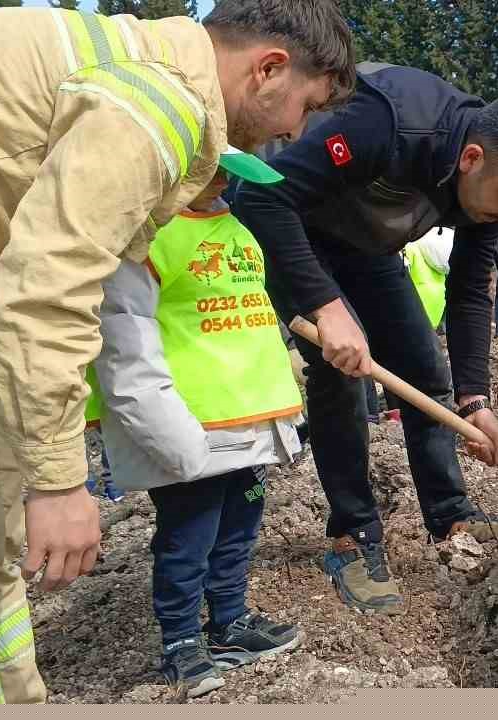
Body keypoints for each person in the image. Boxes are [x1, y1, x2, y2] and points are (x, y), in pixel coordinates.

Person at [0, 1, 351, 703]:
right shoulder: (160, 105)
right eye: (303, 108)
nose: (294, 132)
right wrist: (61, 482)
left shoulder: (138, 70)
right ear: (269, 69)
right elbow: (47, 293)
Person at [234, 66, 498, 615]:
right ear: (472, 159)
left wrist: (476, 400)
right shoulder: (387, 122)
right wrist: (326, 308)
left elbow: (469, 292)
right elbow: (260, 198)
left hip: (369, 248)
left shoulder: (493, 182)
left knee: (426, 371)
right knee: (343, 374)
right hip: (297, 234)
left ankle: (451, 514)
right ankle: (353, 535)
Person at [86, 166, 304, 698]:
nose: (224, 182)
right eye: (212, 171)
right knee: (189, 539)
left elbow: (250, 312)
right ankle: (181, 643)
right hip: (190, 424)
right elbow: (123, 341)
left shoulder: (237, 229)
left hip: (249, 418)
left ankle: (229, 622)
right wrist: (161, 432)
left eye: (228, 173)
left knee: (239, 528)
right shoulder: (147, 240)